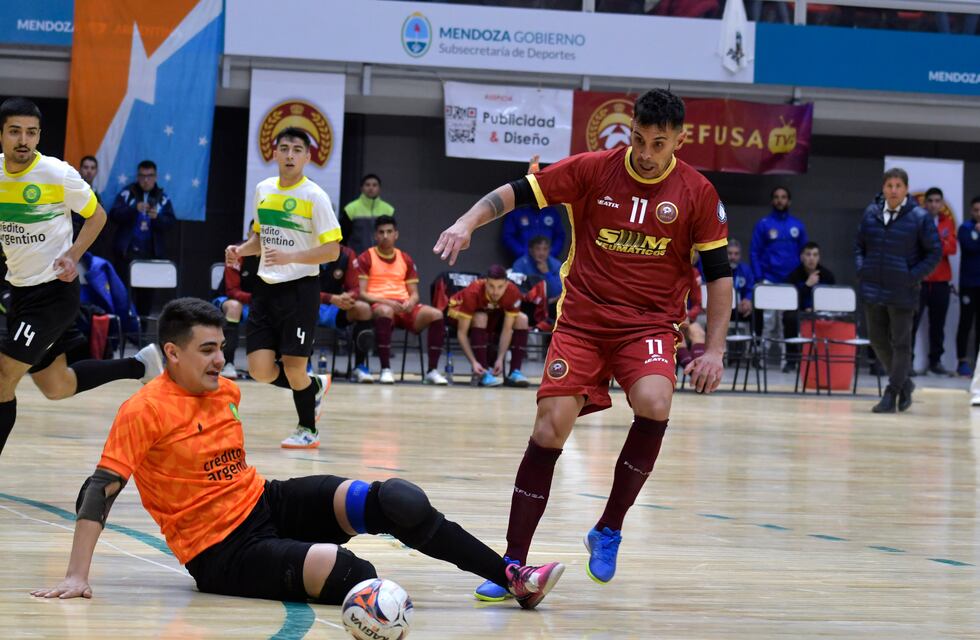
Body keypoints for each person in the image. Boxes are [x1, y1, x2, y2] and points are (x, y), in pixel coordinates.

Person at [30, 298, 564, 610]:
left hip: (265, 502)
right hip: (220, 553)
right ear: (171, 353)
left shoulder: (227, 392)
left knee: (398, 500)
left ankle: (512, 576)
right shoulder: (143, 410)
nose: (222, 360)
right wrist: (77, 575)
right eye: (207, 350)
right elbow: (99, 489)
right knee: (356, 574)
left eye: (222, 346)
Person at [434, 88, 732, 597]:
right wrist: (466, 221)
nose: (645, 152)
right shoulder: (594, 169)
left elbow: (720, 274)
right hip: (582, 322)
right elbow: (515, 193)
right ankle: (512, 564)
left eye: (658, 143)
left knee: (655, 402)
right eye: (638, 139)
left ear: (679, 141)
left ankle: (609, 527)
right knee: (550, 428)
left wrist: (716, 349)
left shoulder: (697, 193)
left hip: (649, 324)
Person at [0, 97, 163, 458]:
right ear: (2, 135)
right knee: (56, 385)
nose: (23, 140)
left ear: (40, 135)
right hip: (19, 292)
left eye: (31, 132)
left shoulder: (57, 173)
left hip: (53, 295)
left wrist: (73, 255)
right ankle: (141, 364)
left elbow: (97, 215)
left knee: (3, 376)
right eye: (14, 132)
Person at [225, 127, 338, 449]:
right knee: (260, 369)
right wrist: (240, 249)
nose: (289, 155)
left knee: (293, 366)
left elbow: (332, 251)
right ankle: (313, 387)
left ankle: (308, 429)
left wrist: (293, 256)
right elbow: (261, 239)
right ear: (274, 153)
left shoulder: (315, 196)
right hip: (266, 287)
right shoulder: (263, 189)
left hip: (301, 290)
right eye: (284, 148)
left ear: (307, 156)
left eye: (297, 149)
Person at [855, 168, 941, 413]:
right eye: (889, 185)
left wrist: (911, 276)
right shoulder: (870, 213)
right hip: (872, 287)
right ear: (883, 188)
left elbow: (934, 252)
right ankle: (905, 384)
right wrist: (862, 268)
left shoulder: (919, 217)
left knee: (901, 344)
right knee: (877, 340)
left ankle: (892, 392)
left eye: (898, 186)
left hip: (903, 291)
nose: (893, 190)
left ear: (905, 189)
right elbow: (858, 245)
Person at [358, 215, 448, 386]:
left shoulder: (405, 258)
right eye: (381, 232)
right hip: (380, 305)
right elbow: (362, 293)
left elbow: (414, 294)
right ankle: (385, 369)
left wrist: (411, 303)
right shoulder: (366, 257)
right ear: (375, 236)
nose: (385, 236)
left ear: (396, 234)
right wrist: (386, 301)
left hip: (404, 305)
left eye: (389, 232)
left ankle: (432, 371)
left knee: (436, 314)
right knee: (385, 311)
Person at [108, 159, 177, 316]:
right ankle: (125, 335)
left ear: (156, 177)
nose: (146, 180)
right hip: (126, 254)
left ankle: (141, 336)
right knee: (123, 297)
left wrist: (157, 218)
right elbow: (114, 215)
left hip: (150, 256)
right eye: (142, 176)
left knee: (146, 299)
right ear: (137, 176)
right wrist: (133, 209)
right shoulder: (127, 193)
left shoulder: (163, 197)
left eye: (150, 176)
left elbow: (171, 222)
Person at [447, 264, 530, 388]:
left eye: (500, 287)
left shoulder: (513, 292)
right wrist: (473, 362)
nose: (495, 291)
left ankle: (515, 371)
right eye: (491, 286)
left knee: (522, 319)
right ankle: (483, 372)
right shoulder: (473, 291)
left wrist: (500, 359)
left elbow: (507, 329)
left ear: (507, 284)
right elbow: (462, 334)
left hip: (492, 317)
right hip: (460, 314)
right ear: (485, 282)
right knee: (481, 317)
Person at [911, 187, 957, 376]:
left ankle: (935, 362)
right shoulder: (918, 222)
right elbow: (917, 247)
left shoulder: (948, 223)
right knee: (911, 323)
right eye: (930, 201)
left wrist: (932, 244)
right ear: (925, 202)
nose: (934, 204)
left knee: (938, 325)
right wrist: (939, 242)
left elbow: (951, 248)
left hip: (941, 282)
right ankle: (907, 362)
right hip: (920, 280)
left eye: (937, 201)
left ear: (942, 204)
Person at [317, 245, 375, 383]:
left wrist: (348, 296)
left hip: (336, 307)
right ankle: (304, 365)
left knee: (363, 309)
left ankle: (360, 366)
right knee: (297, 305)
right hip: (309, 306)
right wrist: (329, 298)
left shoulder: (347, 254)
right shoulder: (306, 250)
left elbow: (356, 288)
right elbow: (301, 290)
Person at [214, 230, 260, 379]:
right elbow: (232, 290)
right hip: (228, 300)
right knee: (234, 307)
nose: (257, 238)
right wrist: (257, 299)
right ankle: (228, 363)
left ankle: (271, 364)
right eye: (255, 234)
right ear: (248, 235)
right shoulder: (236, 253)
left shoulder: (274, 255)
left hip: (257, 302)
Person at [784, 242, 836, 371]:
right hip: (800, 312)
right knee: (789, 317)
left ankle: (826, 359)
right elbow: (790, 301)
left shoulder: (827, 276)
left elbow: (833, 300)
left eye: (815, 255)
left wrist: (817, 308)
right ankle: (791, 360)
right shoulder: (793, 276)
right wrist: (807, 285)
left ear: (819, 257)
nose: (811, 258)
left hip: (820, 312)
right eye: (808, 254)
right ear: (802, 257)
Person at [502, 156, 566, 261]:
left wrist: (549, 255)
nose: (536, 194)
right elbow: (508, 237)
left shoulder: (551, 212)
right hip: (523, 262)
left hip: (548, 262)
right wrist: (524, 254)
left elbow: (560, 236)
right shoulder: (517, 212)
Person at [956, 196, 980, 377]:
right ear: (971, 211)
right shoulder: (965, 228)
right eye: (976, 210)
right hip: (968, 285)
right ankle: (962, 362)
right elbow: (969, 247)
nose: (978, 214)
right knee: (965, 323)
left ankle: (978, 364)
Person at [342, 174, 395, 254]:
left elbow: (391, 237)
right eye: (367, 185)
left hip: (382, 257)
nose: (371, 188)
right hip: (356, 258)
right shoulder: (350, 209)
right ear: (361, 188)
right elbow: (343, 238)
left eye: (374, 185)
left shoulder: (388, 210)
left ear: (379, 188)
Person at [511, 235, 563, 316]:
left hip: (551, 305)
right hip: (528, 305)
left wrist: (547, 273)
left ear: (550, 250)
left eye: (545, 249)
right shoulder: (520, 264)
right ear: (530, 250)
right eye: (538, 249)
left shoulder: (556, 264)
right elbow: (516, 290)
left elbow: (558, 292)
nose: (542, 253)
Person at [72, 155, 100, 241]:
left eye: (92, 168)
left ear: (96, 171)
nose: (89, 171)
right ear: (80, 169)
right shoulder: (72, 190)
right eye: (86, 167)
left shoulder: (97, 195)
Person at [728, 238, 754, 323]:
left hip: (741, 308)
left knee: (753, 311)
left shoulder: (746, 270)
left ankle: (754, 336)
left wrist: (747, 300)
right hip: (724, 307)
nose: (733, 257)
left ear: (740, 255)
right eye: (730, 253)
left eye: (736, 254)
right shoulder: (719, 271)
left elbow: (750, 289)